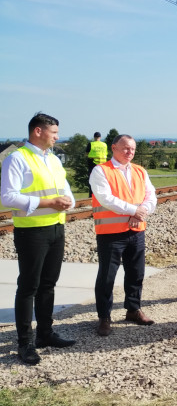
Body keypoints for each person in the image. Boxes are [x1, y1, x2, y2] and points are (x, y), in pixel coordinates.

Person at [0, 112, 76, 365]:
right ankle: (25, 343)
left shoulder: (53, 160)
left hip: (56, 228)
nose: (57, 137)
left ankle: (45, 333)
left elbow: (64, 190)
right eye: (54, 133)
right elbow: (7, 197)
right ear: (38, 132)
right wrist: (48, 202)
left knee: (48, 285)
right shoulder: (17, 158)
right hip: (31, 231)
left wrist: (67, 202)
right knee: (28, 287)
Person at [90, 134, 157, 336]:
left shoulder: (140, 171)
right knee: (107, 276)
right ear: (114, 148)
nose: (130, 152)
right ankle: (104, 317)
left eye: (133, 149)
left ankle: (133, 310)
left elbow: (151, 196)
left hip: (136, 230)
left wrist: (141, 211)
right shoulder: (101, 171)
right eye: (126, 148)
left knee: (136, 272)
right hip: (111, 233)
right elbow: (105, 198)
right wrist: (134, 210)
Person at [86, 132, 108, 197]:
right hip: (103, 164)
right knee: (102, 180)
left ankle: (91, 195)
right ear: (100, 137)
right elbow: (106, 153)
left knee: (92, 180)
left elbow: (87, 153)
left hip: (93, 163)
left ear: (94, 137)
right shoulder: (104, 145)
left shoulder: (91, 144)